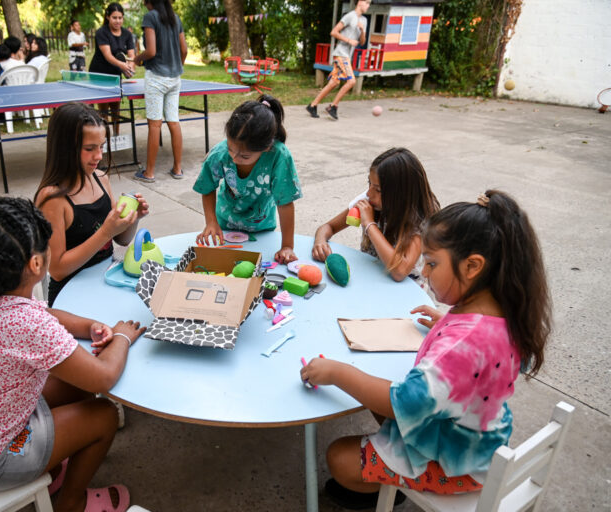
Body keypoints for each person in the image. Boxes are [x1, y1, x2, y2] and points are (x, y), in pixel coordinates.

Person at [301, 190, 551, 510]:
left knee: (339, 458)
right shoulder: (504, 314)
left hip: (454, 462)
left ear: (473, 266)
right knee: (373, 388)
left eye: (432, 263)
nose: (426, 273)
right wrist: (444, 323)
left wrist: (338, 373)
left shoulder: (461, 347)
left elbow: (402, 402)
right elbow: (484, 356)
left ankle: (390, 488)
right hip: (479, 434)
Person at [0, 196, 145, 512]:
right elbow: (103, 377)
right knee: (104, 415)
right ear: (35, 264)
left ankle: (52, 457)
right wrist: (122, 338)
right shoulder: (26, 325)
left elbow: (44, 315)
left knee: (78, 385)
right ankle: (71, 503)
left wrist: (88, 326)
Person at [34, 102, 149, 307]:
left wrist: (133, 219)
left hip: (105, 281)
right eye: (89, 149)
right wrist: (105, 231)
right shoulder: (52, 199)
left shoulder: (100, 178)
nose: (98, 156)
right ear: (64, 148)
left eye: (102, 147)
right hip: (71, 295)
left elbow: (122, 240)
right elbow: (58, 270)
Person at [193, 95, 302, 263]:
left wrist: (287, 246)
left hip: (262, 227)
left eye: (244, 156)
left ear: (267, 147)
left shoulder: (279, 157)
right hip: (224, 224)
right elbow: (207, 187)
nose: (235, 158)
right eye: (230, 149)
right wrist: (211, 222)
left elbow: (285, 202)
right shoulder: (219, 153)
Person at [312, 148, 439, 289]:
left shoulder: (419, 218)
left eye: (378, 190)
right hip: (370, 280)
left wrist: (369, 224)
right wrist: (320, 242)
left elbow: (400, 272)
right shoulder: (369, 201)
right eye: (369, 184)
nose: (369, 193)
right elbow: (328, 227)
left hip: (406, 294)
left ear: (400, 195)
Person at [133, 0, 187, 182]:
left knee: (155, 125)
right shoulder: (175, 18)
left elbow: (151, 51)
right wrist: (176, 66)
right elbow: (184, 49)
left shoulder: (150, 17)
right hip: (175, 78)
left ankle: (149, 172)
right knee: (174, 121)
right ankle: (178, 169)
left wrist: (136, 60)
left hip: (156, 77)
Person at [306, 0, 370, 120]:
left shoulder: (364, 21)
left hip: (346, 56)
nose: (368, 6)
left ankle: (312, 105)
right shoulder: (350, 16)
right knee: (351, 81)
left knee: (334, 82)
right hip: (341, 54)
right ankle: (333, 106)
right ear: (360, 2)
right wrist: (348, 40)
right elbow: (334, 32)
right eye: (367, 3)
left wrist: (361, 30)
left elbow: (362, 42)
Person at [88, 3, 136, 132]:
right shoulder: (101, 33)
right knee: (103, 110)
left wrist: (130, 67)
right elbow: (108, 56)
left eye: (120, 18)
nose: (118, 21)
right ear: (108, 17)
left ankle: (116, 136)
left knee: (116, 109)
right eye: (114, 17)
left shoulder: (127, 34)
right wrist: (123, 66)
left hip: (115, 73)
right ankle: (104, 138)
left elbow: (131, 54)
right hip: (100, 74)